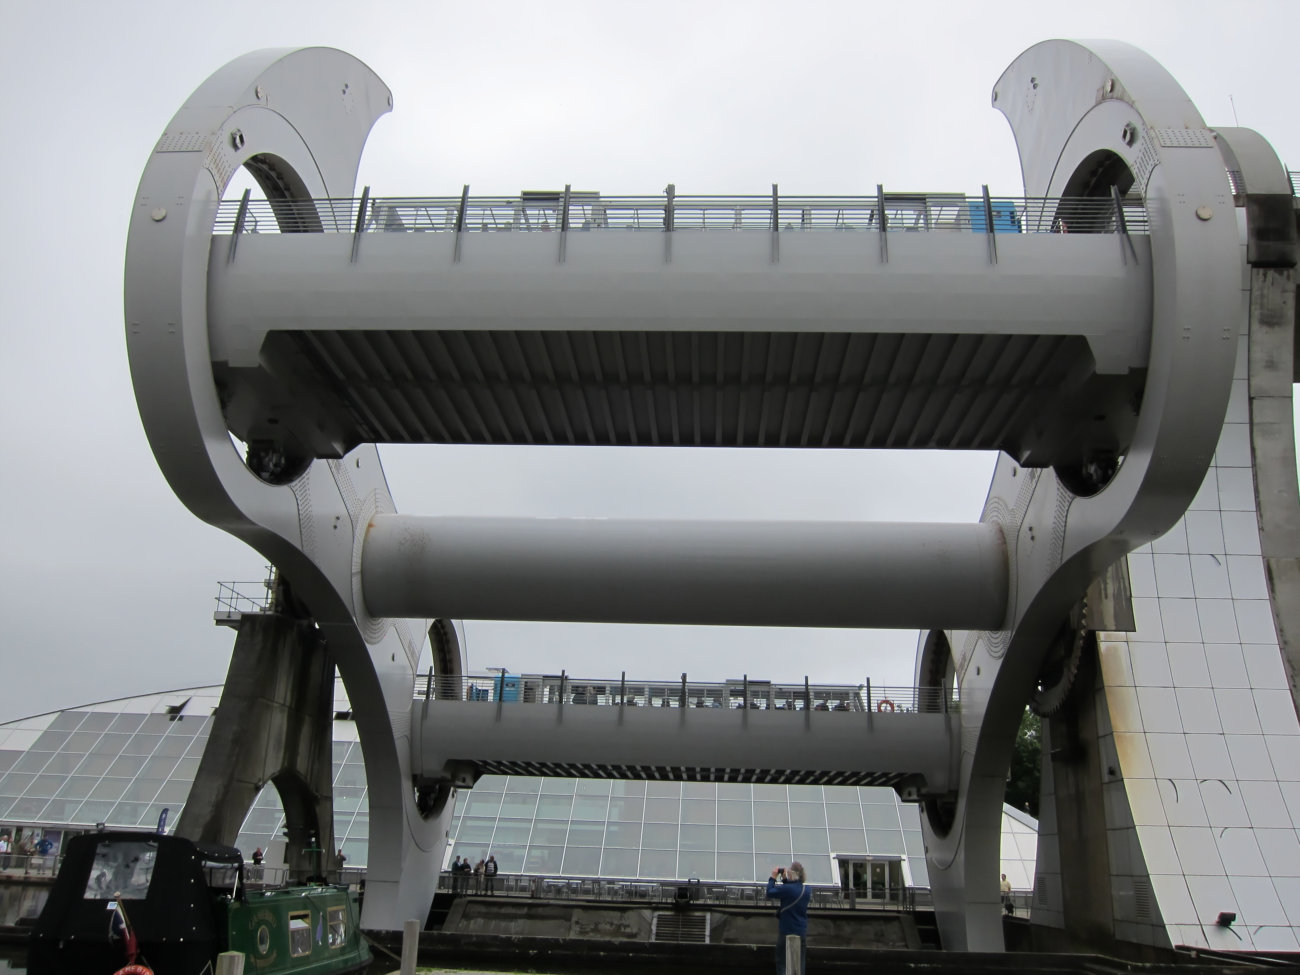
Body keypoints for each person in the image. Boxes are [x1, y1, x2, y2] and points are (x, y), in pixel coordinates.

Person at [766, 861, 810, 975]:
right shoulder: (807, 890)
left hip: (786, 931)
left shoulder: (787, 889)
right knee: (800, 964)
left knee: (782, 962)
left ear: (791, 874)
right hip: (801, 931)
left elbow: (770, 892)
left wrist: (773, 877)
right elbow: (792, 892)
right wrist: (785, 880)